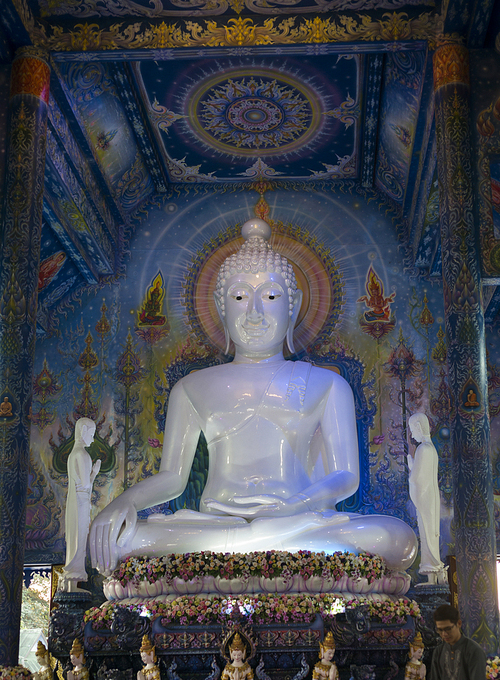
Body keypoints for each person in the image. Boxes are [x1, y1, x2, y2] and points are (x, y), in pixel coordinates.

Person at [89, 218, 417, 577]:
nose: (255, 313)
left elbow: (345, 476)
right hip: (213, 523)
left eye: (272, 297)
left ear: (293, 305)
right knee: (124, 539)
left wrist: (292, 507)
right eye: (241, 297)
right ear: (221, 306)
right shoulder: (192, 387)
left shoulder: (326, 384)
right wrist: (124, 502)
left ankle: (252, 541)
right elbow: (172, 477)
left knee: (395, 538)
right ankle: (255, 541)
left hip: (297, 518)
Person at [60, 418, 101, 592]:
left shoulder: (72, 454)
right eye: (91, 434)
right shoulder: (83, 455)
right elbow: (85, 484)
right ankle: (74, 573)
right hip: (81, 500)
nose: (92, 439)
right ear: (83, 431)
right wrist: (94, 473)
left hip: (74, 500)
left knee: (76, 534)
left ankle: (71, 578)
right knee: (80, 535)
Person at [408, 413, 447, 584]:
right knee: (430, 533)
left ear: (418, 427)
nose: (412, 434)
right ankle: (434, 573)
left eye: (412, 430)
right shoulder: (431, 449)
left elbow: (416, 478)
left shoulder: (423, 449)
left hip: (424, 498)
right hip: (430, 497)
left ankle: (433, 570)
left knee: (427, 534)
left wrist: (411, 467)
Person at [430, 604, 486, 680]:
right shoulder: (438, 651)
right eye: (440, 630)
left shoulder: (474, 651)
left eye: (448, 629)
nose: (444, 634)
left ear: (459, 624)